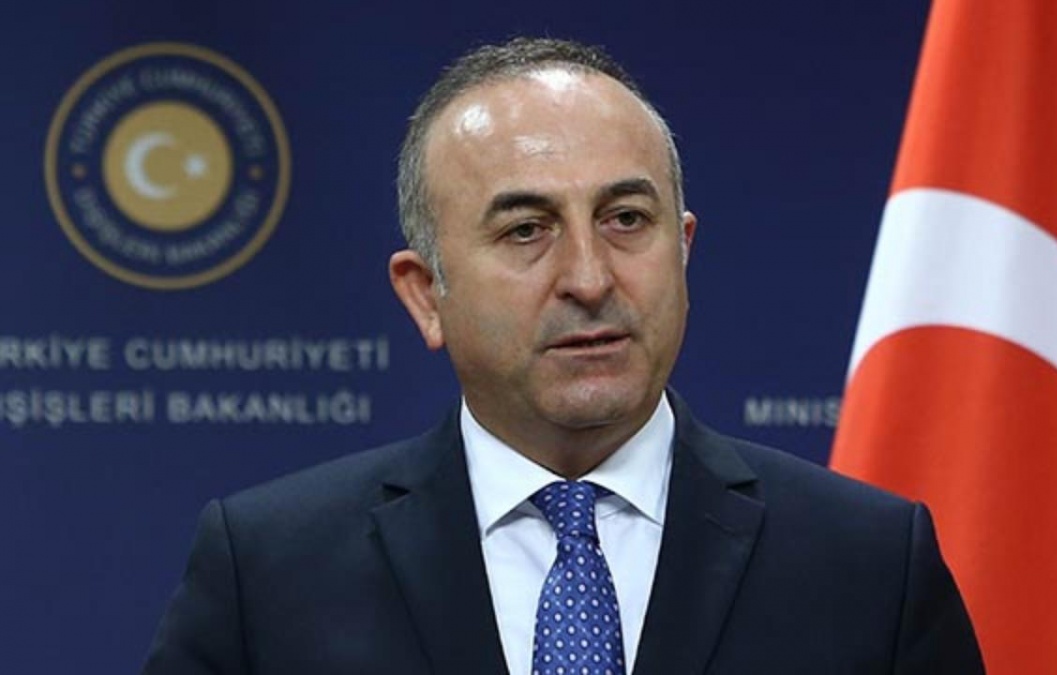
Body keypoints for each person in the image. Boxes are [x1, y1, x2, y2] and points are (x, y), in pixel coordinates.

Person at [142, 37, 984, 674]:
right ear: (425, 293)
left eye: (627, 219)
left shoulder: (870, 564)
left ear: (683, 250)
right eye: (526, 230)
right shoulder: (269, 572)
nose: (589, 277)